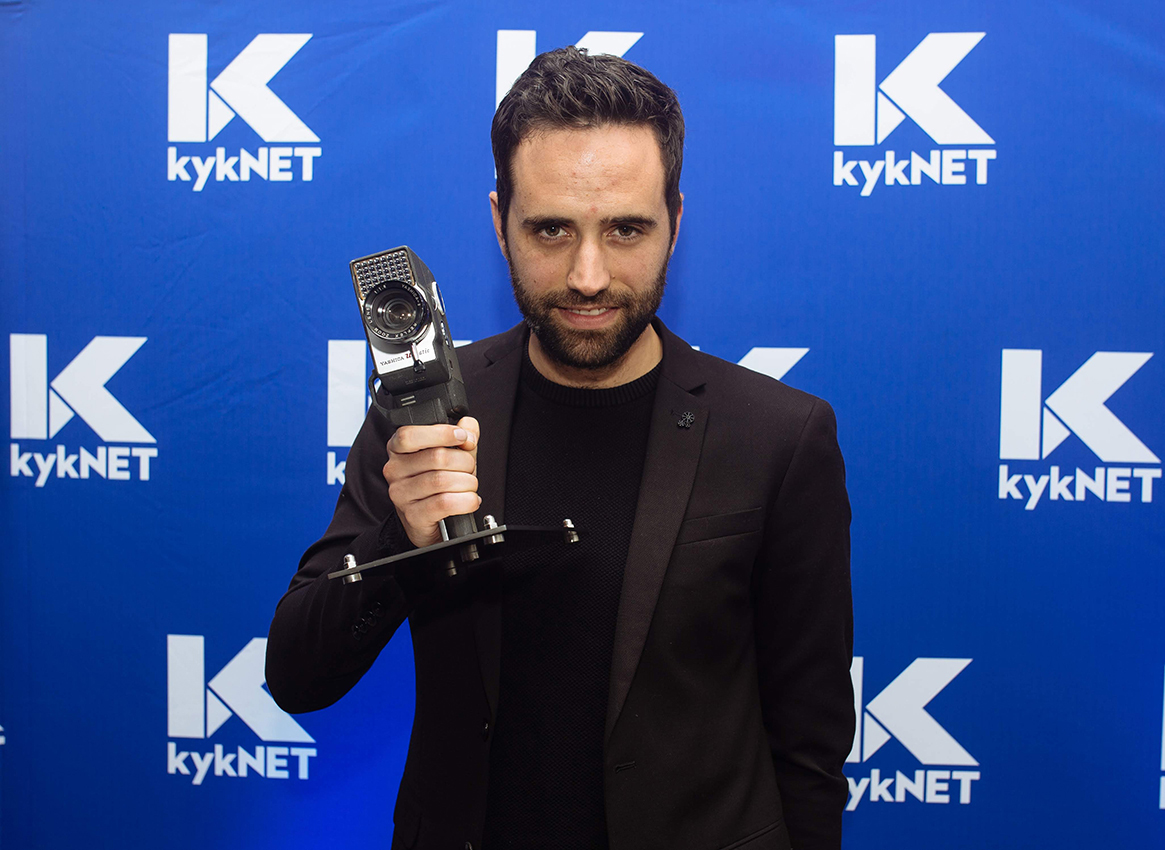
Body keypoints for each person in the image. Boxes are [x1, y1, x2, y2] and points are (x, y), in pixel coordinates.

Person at [266, 46, 853, 850]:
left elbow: (810, 748)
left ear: (676, 223)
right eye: (550, 229)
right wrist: (401, 536)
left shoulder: (779, 435)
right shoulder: (424, 418)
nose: (588, 276)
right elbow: (296, 675)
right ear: (499, 223)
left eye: (626, 229)